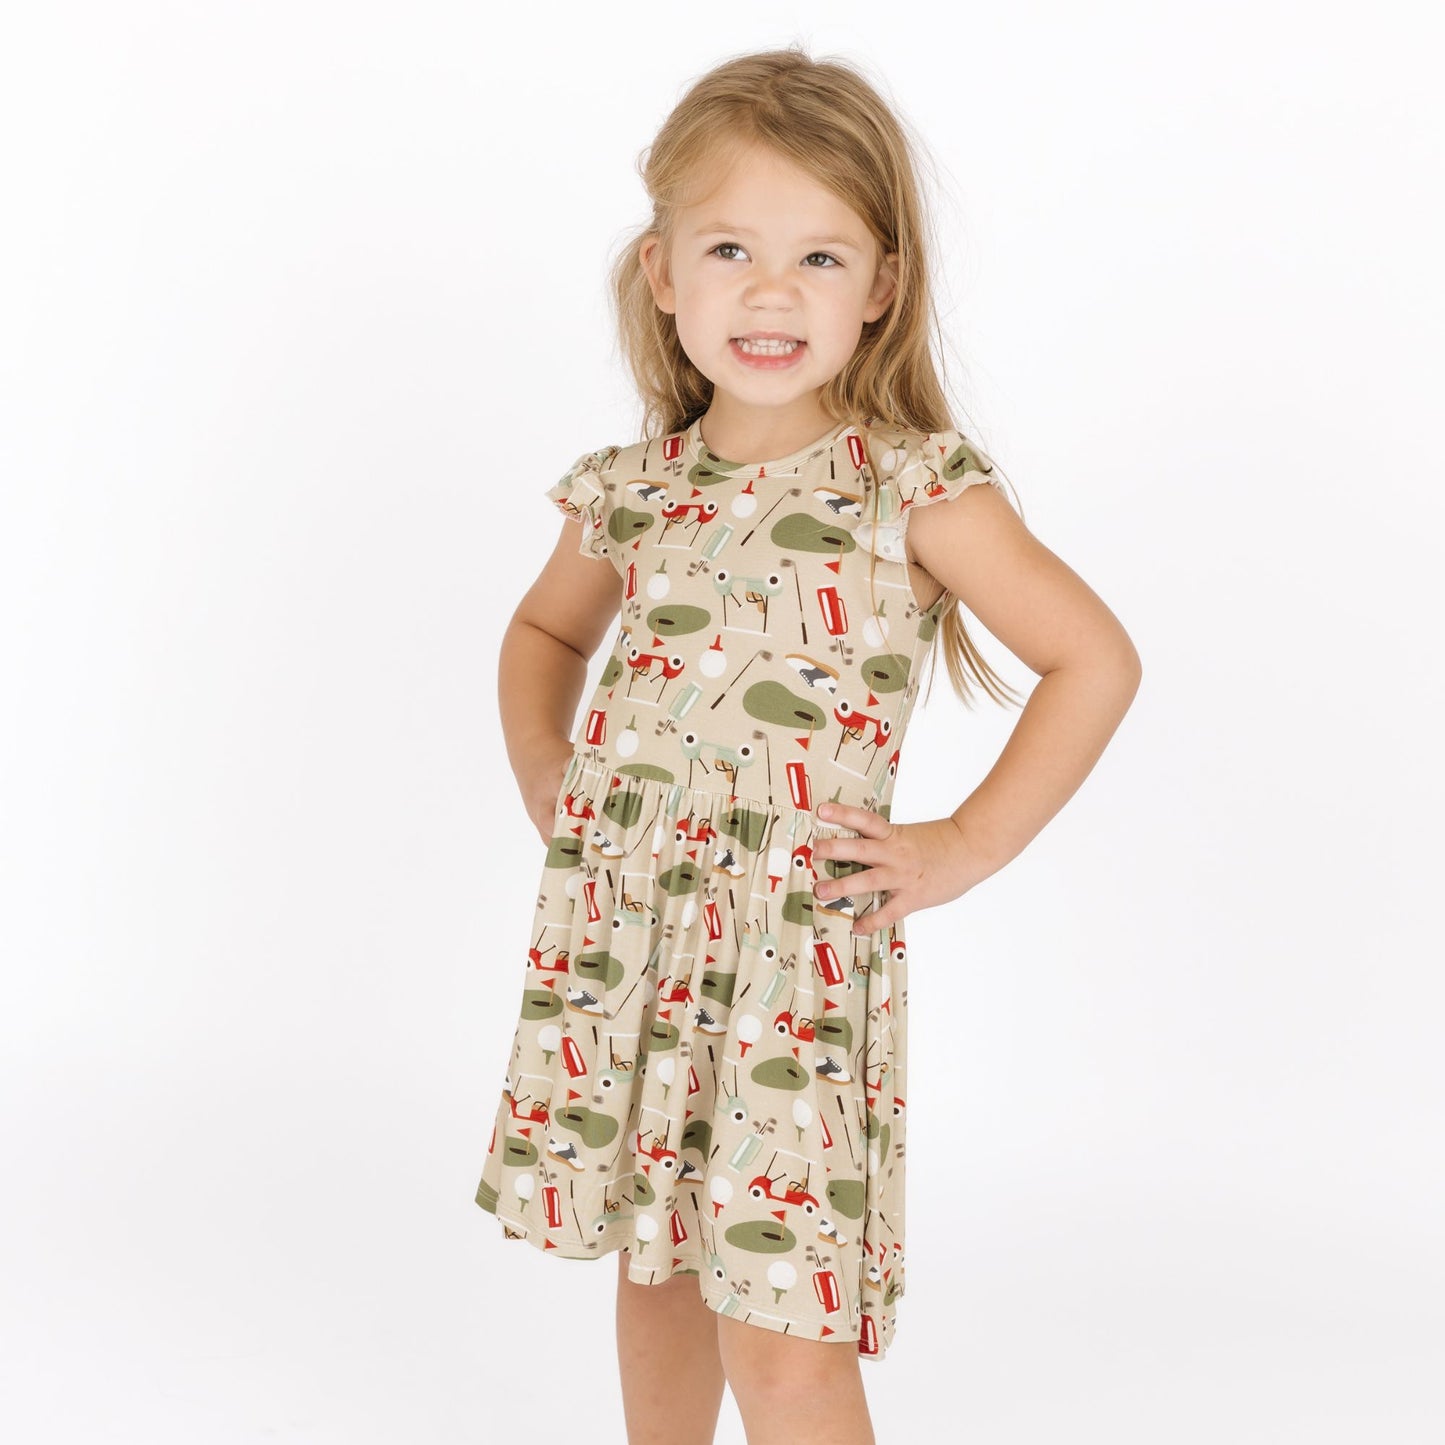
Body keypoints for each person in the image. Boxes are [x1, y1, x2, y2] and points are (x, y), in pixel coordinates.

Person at [473, 45, 1141, 1445]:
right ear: (663, 272)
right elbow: (543, 635)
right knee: (653, 1280)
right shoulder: (634, 487)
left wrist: (962, 843)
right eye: (730, 247)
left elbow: (1092, 657)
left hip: (788, 957)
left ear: (881, 286)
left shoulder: (908, 486)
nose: (770, 292)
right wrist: (549, 765)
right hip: (628, 938)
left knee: (782, 1340)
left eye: (819, 257)